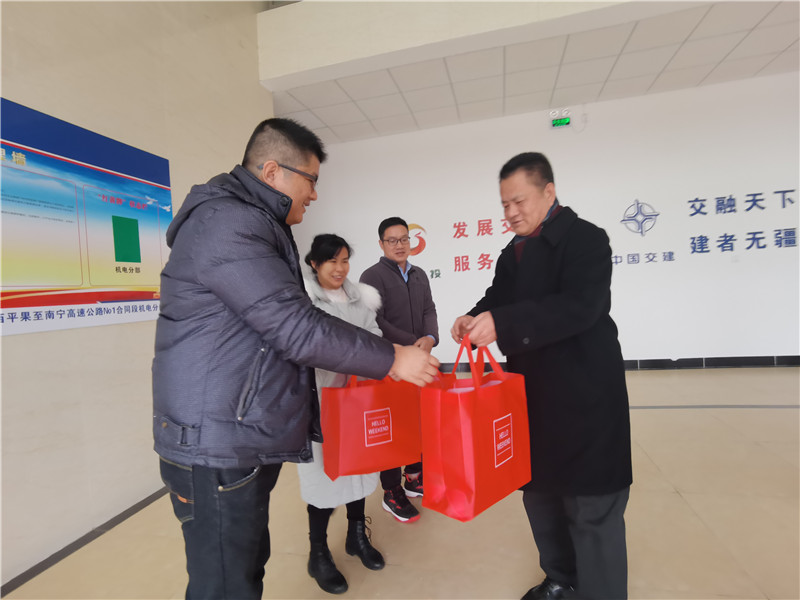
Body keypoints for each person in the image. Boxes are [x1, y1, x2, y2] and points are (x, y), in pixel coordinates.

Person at [152, 118, 439, 600]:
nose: (315, 194)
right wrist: (392, 357)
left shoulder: (253, 221)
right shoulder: (228, 223)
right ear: (272, 171)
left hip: (233, 431)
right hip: (214, 439)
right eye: (311, 180)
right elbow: (294, 326)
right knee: (225, 583)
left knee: (244, 569)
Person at [450, 152, 632, 600]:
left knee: (591, 508)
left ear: (548, 192)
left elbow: (580, 307)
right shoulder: (513, 252)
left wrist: (503, 323)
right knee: (541, 497)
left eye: (519, 201)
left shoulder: (586, 239)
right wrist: (475, 317)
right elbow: (499, 298)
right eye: (504, 205)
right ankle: (560, 577)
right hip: (530, 399)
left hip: (586, 398)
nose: (511, 213)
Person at [299, 233, 386, 595]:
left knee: (358, 467)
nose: (340, 268)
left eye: (345, 260)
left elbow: (375, 336)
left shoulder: (360, 298)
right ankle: (317, 552)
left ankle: (356, 535)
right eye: (332, 261)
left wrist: (366, 355)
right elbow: (307, 347)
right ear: (315, 264)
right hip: (320, 403)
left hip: (359, 400)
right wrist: (354, 352)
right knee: (323, 477)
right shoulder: (302, 301)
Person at [359, 216, 439, 523]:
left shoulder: (419, 275)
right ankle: (391, 492)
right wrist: (410, 343)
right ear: (381, 244)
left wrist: (429, 338)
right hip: (391, 363)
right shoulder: (372, 276)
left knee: (418, 422)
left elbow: (429, 308)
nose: (399, 245)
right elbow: (375, 321)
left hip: (419, 360)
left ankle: (414, 478)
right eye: (392, 240)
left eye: (404, 239)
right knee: (392, 430)